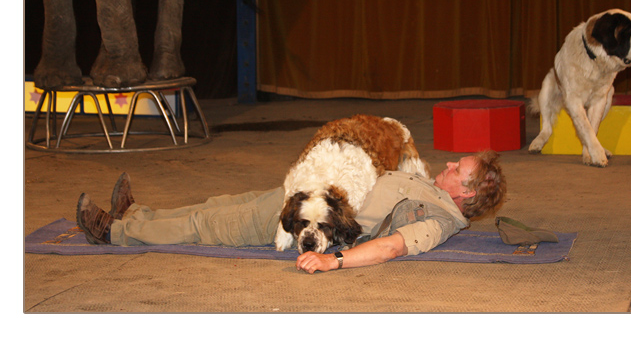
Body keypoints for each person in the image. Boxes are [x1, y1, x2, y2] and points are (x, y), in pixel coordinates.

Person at [77, 150, 506, 274]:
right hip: (309, 198)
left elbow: (391, 248)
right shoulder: (429, 186)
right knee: (215, 205)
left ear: (466, 196)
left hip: (313, 226)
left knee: (204, 225)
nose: (448, 165)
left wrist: (331, 260)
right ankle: (134, 216)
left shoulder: (440, 221)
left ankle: (113, 233)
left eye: (458, 170)